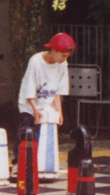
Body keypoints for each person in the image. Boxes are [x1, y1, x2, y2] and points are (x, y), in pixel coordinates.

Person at [13, 32, 75, 171]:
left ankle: (39, 163)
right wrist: (35, 110)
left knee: (46, 132)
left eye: (67, 57)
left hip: (47, 104)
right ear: (54, 50)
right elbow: (29, 86)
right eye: (63, 55)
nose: (64, 59)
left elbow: (59, 90)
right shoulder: (36, 61)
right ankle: (18, 163)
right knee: (26, 130)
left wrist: (59, 112)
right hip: (29, 104)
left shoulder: (62, 64)